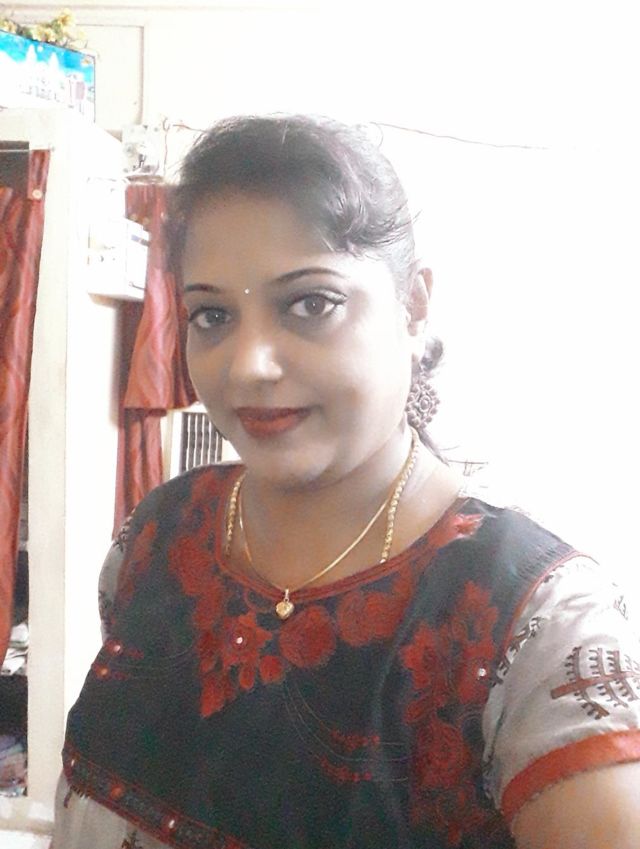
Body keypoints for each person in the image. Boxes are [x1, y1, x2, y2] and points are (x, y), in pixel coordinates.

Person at [53, 115, 640, 849]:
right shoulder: (162, 533)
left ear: (413, 305)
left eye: (311, 304)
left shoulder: (533, 623)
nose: (249, 365)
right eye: (212, 315)